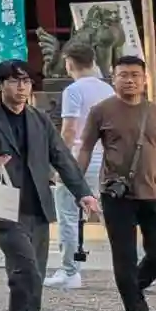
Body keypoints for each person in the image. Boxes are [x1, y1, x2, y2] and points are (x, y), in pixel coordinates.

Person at [0, 59, 101, 311]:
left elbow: (62, 157)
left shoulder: (39, 119)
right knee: (26, 272)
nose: (22, 87)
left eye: (26, 81)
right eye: (14, 81)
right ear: (1, 85)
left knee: (32, 275)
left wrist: (83, 193)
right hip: (4, 207)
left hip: (37, 207)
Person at [76, 52, 156, 311]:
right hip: (116, 194)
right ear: (113, 79)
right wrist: (76, 183)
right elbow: (85, 147)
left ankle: (135, 287)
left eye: (135, 75)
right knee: (124, 255)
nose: (129, 80)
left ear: (144, 79)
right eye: (123, 75)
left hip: (153, 192)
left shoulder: (154, 111)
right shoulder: (101, 110)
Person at [46, 42, 111, 291]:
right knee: (112, 217)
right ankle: (136, 267)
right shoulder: (107, 89)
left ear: (69, 63)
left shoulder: (73, 91)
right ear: (93, 61)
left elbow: (70, 130)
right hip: (104, 161)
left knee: (69, 217)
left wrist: (61, 163)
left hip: (78, 161)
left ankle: (70, 271)